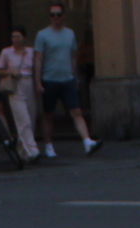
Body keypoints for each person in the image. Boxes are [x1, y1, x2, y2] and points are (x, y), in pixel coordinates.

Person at [33, 3, 97, 157]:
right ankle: (48, 145)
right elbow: (38, 59)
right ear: (49, 17)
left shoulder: (70, 34)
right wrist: (38, 82)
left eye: (58, 14)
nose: (56, 17)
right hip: (49, 79)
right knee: (48, 114)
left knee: (76, 111)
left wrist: (75, 77)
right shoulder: (42, 35)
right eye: (53, 14)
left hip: (67, 79)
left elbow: (73, 57)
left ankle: (87, 141)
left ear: (64, 16)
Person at [0, 26, 39, 161]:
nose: (15, 39)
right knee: (23, 118)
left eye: (18, 36)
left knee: (30, 119)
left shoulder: (31, 52)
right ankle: (33, 150)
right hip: (15, 86)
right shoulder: (6, 52)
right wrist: (10, 71)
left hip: (29, 84)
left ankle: (21, 151)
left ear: (24, 38)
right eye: (13, 36)